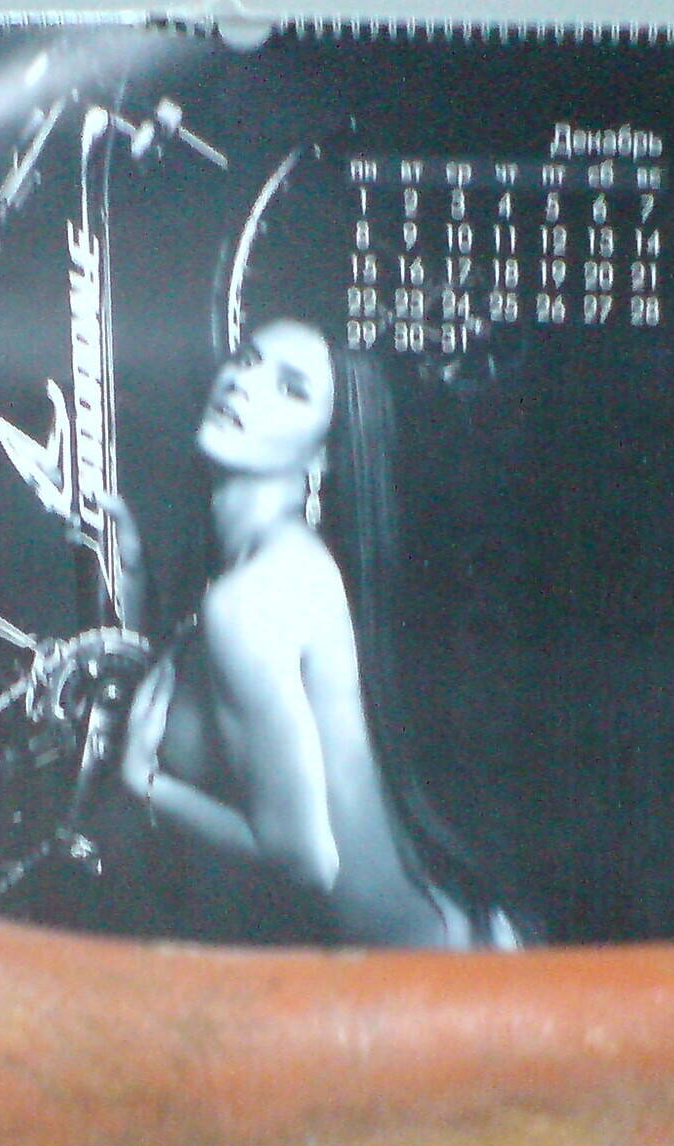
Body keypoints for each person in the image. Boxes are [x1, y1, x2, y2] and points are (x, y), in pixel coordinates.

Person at [112, 319, 511, 949]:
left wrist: (145, 784)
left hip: (424, 980)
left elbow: (306, 862)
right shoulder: (278, 563)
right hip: (440, 943)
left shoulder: (254, 596)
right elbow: (192, 713)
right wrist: (131, 572)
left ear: (323, 455)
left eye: (290, 388)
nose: (243, 384)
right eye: (247, 359)